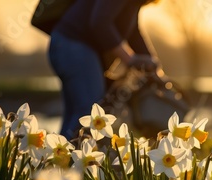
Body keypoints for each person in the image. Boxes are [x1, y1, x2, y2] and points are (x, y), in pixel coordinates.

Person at [48, 0, 160, 139]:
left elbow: (133, 32)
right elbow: (100, 22)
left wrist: (154, 68)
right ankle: (69, 158)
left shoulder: (134, 3)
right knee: (89, 112)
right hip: (73, 47)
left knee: (76, 113)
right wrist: (130, 60)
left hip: (67, 45)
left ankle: (59, 156)